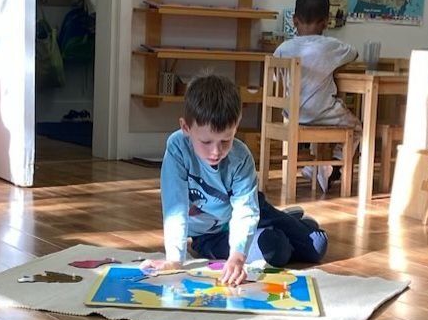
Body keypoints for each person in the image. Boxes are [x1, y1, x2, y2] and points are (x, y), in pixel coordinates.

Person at [140, 73, 328, 284]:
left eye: (225, 141)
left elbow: (245, 210)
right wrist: (174, 260)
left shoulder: (241, 156)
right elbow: (175, 206)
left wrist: (237, 257)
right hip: (210, 235)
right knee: (277, 249)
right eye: (206, 141)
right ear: (186, 128)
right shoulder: (177, 149)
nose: (215, 151)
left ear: (236, 125)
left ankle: (291, 222)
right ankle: (283, 225)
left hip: (251, 210)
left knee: (318, 245)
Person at [273, 0, 360, 192]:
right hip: (321, 114)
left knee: (325, 110)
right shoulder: (331, 46)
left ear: (294, 20)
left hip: (291, 114)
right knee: (356, 127)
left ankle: (318, 168)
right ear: (326, 21)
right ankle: (332, 167)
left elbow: (277, 78)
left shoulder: (282, 49)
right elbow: (354, 54)